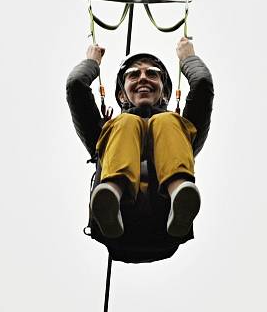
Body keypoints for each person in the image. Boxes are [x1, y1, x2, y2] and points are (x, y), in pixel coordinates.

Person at [66, 36, 213, 240]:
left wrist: (188, 58)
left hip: (167, 224)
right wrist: (92, 62)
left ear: (164, 94)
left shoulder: (180, 131)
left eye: (152, 74)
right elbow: (76, 86)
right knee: (126, 122)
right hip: (119, 226)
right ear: (121, 96)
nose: (143, 78)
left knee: (166, 121)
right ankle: (110, 198)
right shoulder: (106, 131)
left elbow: (203, 85)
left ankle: (180, 197)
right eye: (133, 74)